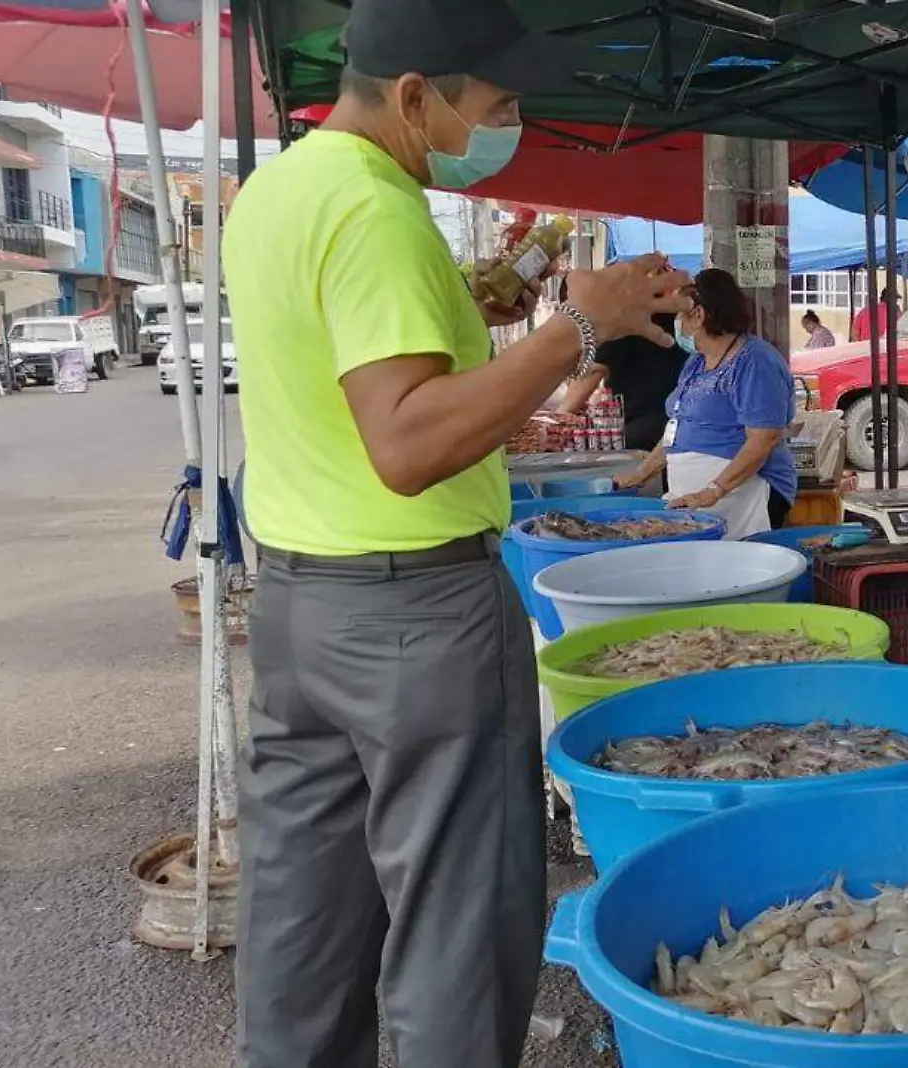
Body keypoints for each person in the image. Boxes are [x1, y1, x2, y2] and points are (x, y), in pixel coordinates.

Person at [218, 0, 690, 1063]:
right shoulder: (376, 211)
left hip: (300, 606)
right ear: (416, 96)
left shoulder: (279, 190)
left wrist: (497, 304)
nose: (510, 125)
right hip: (413, 618)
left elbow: (362, 366)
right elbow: (408, 440)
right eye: (500, 104)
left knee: (304, 917)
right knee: (458, 922)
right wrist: (582, 322)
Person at [615, 268, 797, 538]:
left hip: (746, 495)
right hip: (698, 499)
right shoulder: (696, 362)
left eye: (679, 313)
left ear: (698, 315)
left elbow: (764, 439)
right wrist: (639, 475)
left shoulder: (755, 362)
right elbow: (676, 429)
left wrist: (714, 490)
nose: (676, 321)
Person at [551, 311, 684, 450]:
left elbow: (593, 371)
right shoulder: (664, 314)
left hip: (644, 421)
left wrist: (558, 418)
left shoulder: (621, 317)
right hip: (676, 419)